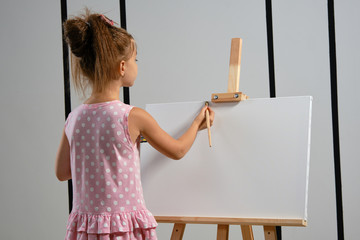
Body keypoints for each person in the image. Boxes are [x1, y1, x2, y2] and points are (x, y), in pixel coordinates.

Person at [55, 9, 214, 240]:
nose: (135, 65)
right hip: (123, 229)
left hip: (87, 230)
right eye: (134, 59)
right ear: (121, 67)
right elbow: (178, 150)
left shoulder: (74, 118)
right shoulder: (133, 117)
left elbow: (62, 173)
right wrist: (197, 122)